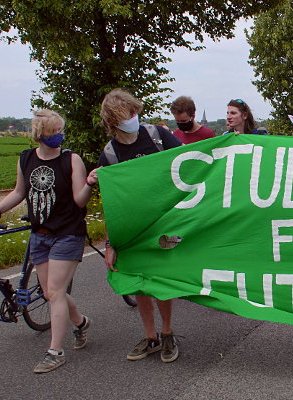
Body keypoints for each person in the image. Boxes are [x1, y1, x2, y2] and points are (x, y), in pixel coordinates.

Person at [0, 109, 94, 373]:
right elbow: (19, 192)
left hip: (67, 233)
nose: (58, 136)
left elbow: (79, 200)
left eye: (59, 130)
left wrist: (89, 183)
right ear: (39, 134)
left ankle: (55, 352)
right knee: (52, 293)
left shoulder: (72, 160)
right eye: (53, 131)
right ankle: (82, 323)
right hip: (39, 234)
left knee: (54, 292)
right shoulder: (26, 159)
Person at [95, 88, 184, 363]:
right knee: (139, 283)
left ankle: (167, 333)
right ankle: (151, 337)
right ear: (113, 121)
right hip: (132, 229)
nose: (133, 117)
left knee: (160, 281)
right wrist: (110, 244)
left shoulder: (157, 136)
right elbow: (112, 206)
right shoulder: (109, 156)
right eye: (126, 114)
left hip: (164, 222)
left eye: (134, 111)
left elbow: (191, 161)